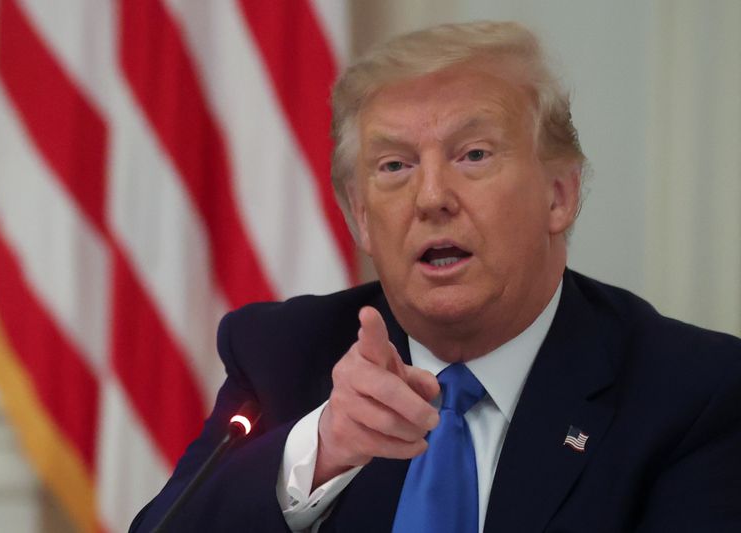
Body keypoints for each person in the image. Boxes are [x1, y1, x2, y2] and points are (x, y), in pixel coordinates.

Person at [130, 21, 741, 532]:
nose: (430, 198)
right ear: (362, 220)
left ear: (559, 195)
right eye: (394, 165)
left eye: (472, 155)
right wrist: (325, 446)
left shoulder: (693, 392)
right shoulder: (285, 354)